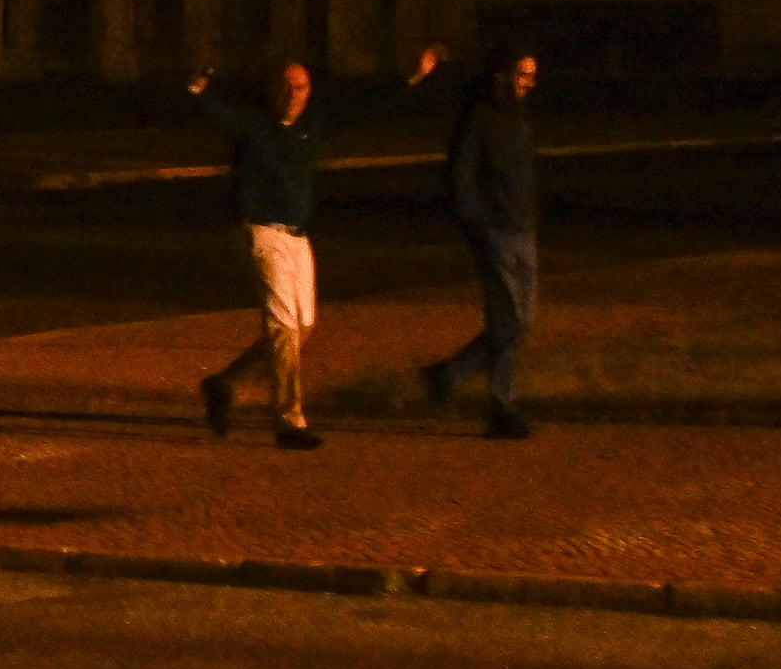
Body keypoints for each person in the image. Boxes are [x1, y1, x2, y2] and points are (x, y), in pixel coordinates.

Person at [187, 42, 443, 448]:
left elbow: (366, 108)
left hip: (298, 236)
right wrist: (197, 86)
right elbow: (214, 112)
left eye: (303, 88)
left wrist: (413, 77)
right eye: (288, 87)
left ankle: (225, 382)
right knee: (283, 325)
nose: (295, 96)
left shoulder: (313, 124)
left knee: (302, 327)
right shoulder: (253, 124)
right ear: (272, 89)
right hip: (261, 232)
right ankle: (290, 421)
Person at [421, 47, 545, 438]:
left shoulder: (518, 115)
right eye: (522, 75)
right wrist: (478, 221)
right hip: (495, 231)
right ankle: (501, 406)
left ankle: (449, 375)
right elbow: (461, 174)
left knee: (519, 321)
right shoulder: (480, 116)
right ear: (502, 75)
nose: (528, 83)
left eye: (532, 76)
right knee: (509, 319)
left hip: (522, 228)